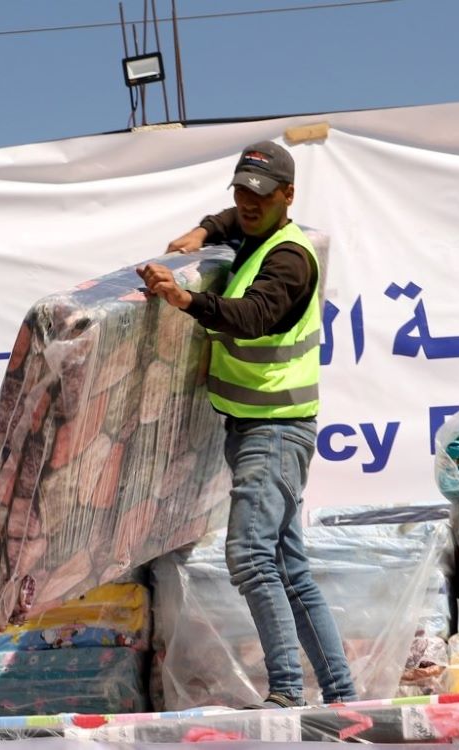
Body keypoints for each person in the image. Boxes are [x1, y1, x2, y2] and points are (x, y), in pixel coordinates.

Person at [136, 140, 357, 708]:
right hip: (256, 426)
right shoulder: (251, 229)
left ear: (289, 196)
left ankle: (287, 692)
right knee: (287, 566)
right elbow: (234, 218)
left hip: (276, 430)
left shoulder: (289, 258)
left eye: (261, 194)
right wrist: (202, 231)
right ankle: (342, 694)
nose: (247, 203)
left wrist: (186, 300)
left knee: (252, 556)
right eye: (240, 191)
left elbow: (255, 317)